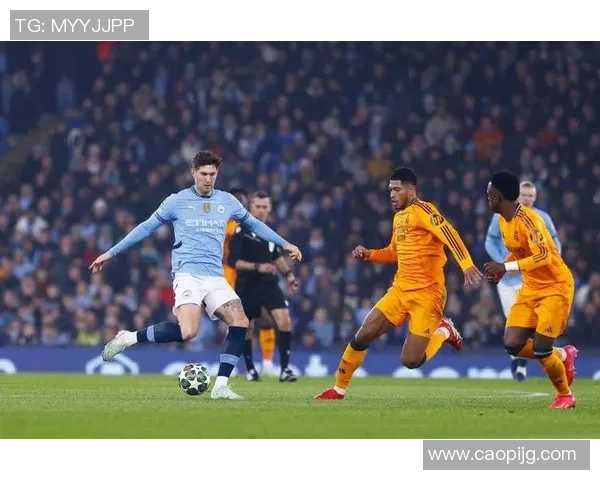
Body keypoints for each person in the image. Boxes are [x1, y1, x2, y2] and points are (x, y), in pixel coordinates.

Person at [90, 150, 302, 400]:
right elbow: (146, 228)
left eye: (212, 174)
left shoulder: (227, 201)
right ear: (193, 173)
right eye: (203, 174)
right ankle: (129, 338)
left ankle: (221, 386)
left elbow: (255, 225)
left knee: (240, 321)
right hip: (187, 274)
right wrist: (111, 253)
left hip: (215, 277)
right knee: (188, 332)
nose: (208, 179)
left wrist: (284, 243)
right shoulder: (176, 201)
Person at [315, 167, 482, 400]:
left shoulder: (424, 210)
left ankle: (444, 330)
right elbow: (394, 252)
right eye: (390, 190)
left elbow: (449, 234)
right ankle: (338, 389)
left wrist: (467, 265)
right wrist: (370, 254)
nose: (392, 195)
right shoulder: (398, 217)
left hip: (427, 294)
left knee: (410, 360)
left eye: (397, 189)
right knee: (365, 333)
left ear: (411, 190)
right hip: (400, 290)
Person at [483, 170, 578, 409]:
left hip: (555, 287)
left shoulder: (530, 220)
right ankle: (563, 355)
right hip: (531, 287)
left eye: (489, 194)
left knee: (542, 348)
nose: (487, 198)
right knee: (512, 344)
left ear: (497, 196)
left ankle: (565, 395)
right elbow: (520, 251)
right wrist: (504, 269)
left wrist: (506, 266)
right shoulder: (503, 221)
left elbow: (544, 255)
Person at [485, 181, 562, 382]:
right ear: (517, 196)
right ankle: (521, 359)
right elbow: (489, 241)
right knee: (512, 321)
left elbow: (554, 244)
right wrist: (503, 264)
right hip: (507, 280)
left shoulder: (541, 218)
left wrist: (553, 265)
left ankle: (524, 363)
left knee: (529, 323)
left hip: (531, 279)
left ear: (535, 198)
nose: (527, 198)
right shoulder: (500, 216)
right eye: (524, 195)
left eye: (530, 195)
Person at [228, 191, 300, 382]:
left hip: (269, 284)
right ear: (250, 207)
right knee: (247, 326)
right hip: (246, 284)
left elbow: (276, 256)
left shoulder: (269, 232)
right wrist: (258, 267)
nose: (261, 210)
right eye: (257, 206)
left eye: (264, 207)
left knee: (284, 320)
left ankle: (285, 369)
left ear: (270, 209)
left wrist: (289, 275)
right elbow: (233, 261)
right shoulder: (241, 231)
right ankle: (250, 369)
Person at [224, 188, 278, 376]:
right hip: (223, 274)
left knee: (262, 318)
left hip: (246, 276)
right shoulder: (219, 222)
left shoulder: (250, 224)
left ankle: (266, 363)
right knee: (236, 322)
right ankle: (234, 365)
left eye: (241, 201)